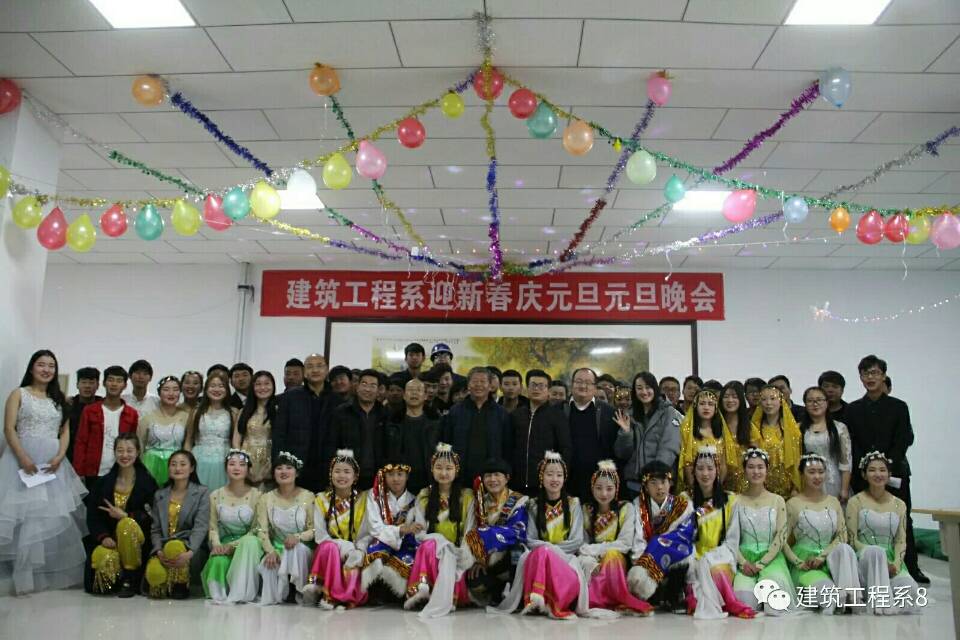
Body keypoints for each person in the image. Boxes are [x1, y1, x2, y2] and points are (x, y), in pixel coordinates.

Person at [0, 350, 87, 595]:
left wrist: (60, 456)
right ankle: (19, 578)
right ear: (32, 368)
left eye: (51, 366)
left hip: (51, 465)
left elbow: (64, 431)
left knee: (42, 518)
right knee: (21, 515)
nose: (46, 369)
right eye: (41, 364)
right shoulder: (19, 394)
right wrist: (23, 457)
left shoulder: (60, 399)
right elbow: (9, 428)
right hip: (20, 461)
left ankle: (35, 577)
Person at [844, 354, 925, 583]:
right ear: (860, 377)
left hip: (895, 473)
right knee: (862, 521)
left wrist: (885, 467)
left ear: (883, 376)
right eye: (866, 373)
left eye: (875, 373)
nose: (870, 377)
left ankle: (910, 566)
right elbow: (852, 443)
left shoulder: (898, 407)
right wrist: (866, 468)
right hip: (863, 475)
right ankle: (867, 569)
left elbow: (903, 439)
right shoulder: (853, 409)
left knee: (903, 519)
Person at [492, 452, 587, 619]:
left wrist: (550, 550)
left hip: (565, 559)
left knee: (543, 551)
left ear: (564, 478)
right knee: (539, 553)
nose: (554, 479)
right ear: (542, 477)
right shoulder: (533, 505)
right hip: (540, 556)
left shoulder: (573, 504)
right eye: (549, 474)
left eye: (559, 475)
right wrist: (546, 549)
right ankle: (537, 597)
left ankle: (538, 598)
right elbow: (530, 539)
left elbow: (577, 541)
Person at [682, 445, 756, 619]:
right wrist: (694, 559)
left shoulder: (730, 500)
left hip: (720, 556)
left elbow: (732, 540)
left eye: (710, 468)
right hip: (693, 558)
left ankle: (726, 601)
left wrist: (710, 558)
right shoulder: (685, 500)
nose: (705, 474)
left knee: (718, 571)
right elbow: (682, 537)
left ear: (717, 471)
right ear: (694, 471)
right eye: (700, 468)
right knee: (693, 579)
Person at [846, 451, 921, 615]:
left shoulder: (899, 504)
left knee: (910, 591)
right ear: (864, 475)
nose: (878, 474)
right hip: (866, 556)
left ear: (889, 474)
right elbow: (852, 539)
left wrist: (896, 563)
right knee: (875, 552)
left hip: (892, 561)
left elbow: (901, 540)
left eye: (882, 470)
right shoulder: (855, 502)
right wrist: (880, 559)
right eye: (872, 470)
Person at [404, 443, 474, 618]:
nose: (443, 473)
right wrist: (439, 542)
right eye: (439, 468)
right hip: (431, 552)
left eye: (448, 468)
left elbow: (470, 529)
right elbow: (420, 532)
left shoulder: (467, 496)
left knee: (435, 546)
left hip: (457, 551)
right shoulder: (424, 495)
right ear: (432, 470)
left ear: (456, 470)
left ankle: (442, 594)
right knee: (429, 544)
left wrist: (461, 552)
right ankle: (422, 589)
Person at [784, 454, 860, 614]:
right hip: (805, 564)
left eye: (821, 472)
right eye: (811, 472)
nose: (817, 476)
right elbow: (781, 540)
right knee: (828, 596)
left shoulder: (833, 502)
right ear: (802, 474)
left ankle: (848, 599)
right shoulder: (792, 504)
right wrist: (798, 562)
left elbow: (842, 535)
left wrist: (822, 557)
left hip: (829, 560)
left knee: (845, 549)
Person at [85, 432, 157, 597]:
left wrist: (125, 516)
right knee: (103, 572)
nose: (125, 455)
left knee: (126, 525)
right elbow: (93, 516)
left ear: (137, 452)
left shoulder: (147, 483)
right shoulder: (102, 483)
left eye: (129, 450)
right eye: (120, 450)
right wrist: (103, 537)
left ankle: (131, 578)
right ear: (114, 452)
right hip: (111, 540)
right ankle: (116, 580)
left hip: (138, 541)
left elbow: (153, 517)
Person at [580, 460, 653, 616]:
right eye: (598, 488)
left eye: (609, 488)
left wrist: (597, 550)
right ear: (592, 488)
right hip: (592, 559)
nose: (604, 494)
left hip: (616, 559)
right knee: (587, 563)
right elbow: (582, 545)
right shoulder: (586, 510)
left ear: (616, 488)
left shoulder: (626, 508)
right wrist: (592, 559)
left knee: (612, 555)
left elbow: (625, 544)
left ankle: (607, 599)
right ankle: (594, 600)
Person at [728, 448, 795, 616]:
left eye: (760, 467)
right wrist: (743, 562)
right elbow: (731, 537)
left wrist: (762, 563)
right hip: (745, 561)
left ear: (767, 469)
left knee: (774, 604)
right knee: (745, 603)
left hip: (771, 559)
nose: (756, 471)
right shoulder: (736, 501)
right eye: (751, 467)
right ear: (744, 470)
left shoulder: (777, 500)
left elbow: (781, 536)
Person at [303, 449, 368, 609]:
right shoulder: (321, 499)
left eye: (347, 471)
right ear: (331, 474)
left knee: (356, 557)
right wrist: (344, 546)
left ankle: (345, 597)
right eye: (337, 471)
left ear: (355, 476)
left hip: (356, 548)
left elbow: (367, 532)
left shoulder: (364, 499)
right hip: (329, 548)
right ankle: (329, 595)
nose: (341, 476)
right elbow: (320, 535)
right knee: (330, 547)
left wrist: (357, 549)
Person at [462, 458, 528, 606]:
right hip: (486, 560)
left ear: (507, 478)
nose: (492, 479)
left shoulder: (520, 500)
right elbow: (471, 532)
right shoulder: (479, 502)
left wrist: (487, 534)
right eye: (488, 476)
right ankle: (498, 594)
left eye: (497, 475)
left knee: (517, 550)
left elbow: (517, 532)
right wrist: (479, 560)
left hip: (509, 557)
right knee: (475, 581)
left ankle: (517, 595)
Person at [144, 450, 210, 599]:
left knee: (174, 546)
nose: (177, 468)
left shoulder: (202, 492)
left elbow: (201, 527)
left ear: (191, 468)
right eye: (173, 464)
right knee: (155, 574)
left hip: (188, 547)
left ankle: (180, 584)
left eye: (182, 464)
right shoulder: (160, 494)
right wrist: (158, 550)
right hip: (163, 547)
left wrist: (190, 552)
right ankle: (166, 582)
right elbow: (155, 529)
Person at [626, 461, 692, 608]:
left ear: (670, 483)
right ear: (646, 486)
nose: (660, 487)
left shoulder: (682, 505)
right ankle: (652, 592)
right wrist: (642, 559)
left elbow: (685, 535)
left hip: (674, 556)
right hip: (649, 556)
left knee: (679, 552)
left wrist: (660, 546)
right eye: (653, 483)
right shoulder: (638, 505)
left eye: (663, 482)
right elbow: (638, 536)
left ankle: (674, 595)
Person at [200, 449, 262, 603]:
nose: (236, 468)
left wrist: (234, 546)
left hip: (248, 545)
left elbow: (256, 529)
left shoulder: (257, 495)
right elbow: (212, 527)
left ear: (248, 469)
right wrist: (217, 545)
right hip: (224, 544)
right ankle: (220, 595)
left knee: (250, 543)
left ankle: (243, 593)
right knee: (218, 561)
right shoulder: (215, 495)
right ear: (225, 468)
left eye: (242, 464)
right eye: (232, 464)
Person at [256, 451, 315, 605]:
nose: (284, 471)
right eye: (279, 468)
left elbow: (314, 530)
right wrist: (270, 551)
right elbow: (262, 530)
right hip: (277, 547)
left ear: (297, 473)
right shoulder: (266, 498)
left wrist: (298, 537)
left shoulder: (308, 496)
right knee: (269, 562)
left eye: (289, 468)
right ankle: (282, 593)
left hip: (302, 548)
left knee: (295, 549)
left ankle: (299, 590)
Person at [359, 459, 420, 600]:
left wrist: (407, 532)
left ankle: (400, 592)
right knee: (376, 549)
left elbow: (416, 529)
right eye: (391, 474)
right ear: (384, 476)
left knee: (411, 550)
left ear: (407, 476)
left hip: (405, 542)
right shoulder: (375, 496)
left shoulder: (415, 500)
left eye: (400, 474)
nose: (395, 479)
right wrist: (400, 530)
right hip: (379, 538)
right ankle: (373, 590)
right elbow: (374, 527)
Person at [615, 371, 682, 498]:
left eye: (648, 387)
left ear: (655, 389)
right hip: (634, 483)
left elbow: (670, 447)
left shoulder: (668, 412)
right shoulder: (629, 414)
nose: (644, 392)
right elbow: (622, 454)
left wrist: (654, 477)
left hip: (659, 483)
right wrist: (626, 433)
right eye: (639, 388)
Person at [440, 367, 512, 484]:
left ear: (490, 386)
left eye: (483, 381)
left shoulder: (501, 414)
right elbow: (446, 443)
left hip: (491, 477)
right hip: (460, 475)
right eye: (474, 381)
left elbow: (507, 447)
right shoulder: (455, 411)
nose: (478, 385)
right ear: (468, 385)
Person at [272, 353, 331, 492]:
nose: (315, 370)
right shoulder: (290, 397)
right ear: (304, 372)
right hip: (297, 468)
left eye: (319, 366)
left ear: (326, 370)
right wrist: (280, 465)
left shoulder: (337, 400)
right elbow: (279, 434)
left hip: (327, 469)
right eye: (310, 366)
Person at [73, 365, 139, 487]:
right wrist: (78, 471)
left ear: (125, 385)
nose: (114, 384)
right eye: (110, 380)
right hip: (92, 471)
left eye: (119, 381)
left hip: (119, 471)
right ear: (104, 383)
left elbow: (132, 445)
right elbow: (81, 442)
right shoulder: (90, 410)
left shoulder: (132, 414)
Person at [509, 369, 571, 495]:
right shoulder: (516, 415)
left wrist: (558, 477)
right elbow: (508, 447)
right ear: (527, 388)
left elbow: (565, 449)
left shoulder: (557, 416)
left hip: (545, 484)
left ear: (548, 391)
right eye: (533, 385)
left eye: (541, 386)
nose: (536, 389)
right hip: (516, 482)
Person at [328, 368, 390, 490]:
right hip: (347, 477)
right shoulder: (341, 413)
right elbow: (331, 445)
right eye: (364, 384)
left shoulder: (386, 415)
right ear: (357, 387)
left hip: (377, 478)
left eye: (373, 386)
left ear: (378, 390)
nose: (367, 389)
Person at [564, 368, 619, 500]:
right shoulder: (559, 410)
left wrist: (626, 433)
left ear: (595, 388)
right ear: (572, 385)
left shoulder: (609, 412)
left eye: (588, 383)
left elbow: (618, 451)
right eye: (579, 381)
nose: (583, 386)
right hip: (564, 481)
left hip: (598, 484)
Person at [799, 386, 852, 502]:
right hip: (808, 479)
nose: (815, 404)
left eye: (819, 400)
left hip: (833, 480)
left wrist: (844, 489)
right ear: (805, 405)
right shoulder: (799, 428)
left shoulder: (839, 428)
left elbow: (846, 461)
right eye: (810, 401)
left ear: (827, 403)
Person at [185, 372, 235, 491]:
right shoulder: (197, 412)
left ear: (227, 390)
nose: (216, 389)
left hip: (223, 461)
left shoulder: (233, 413)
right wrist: (187, 462)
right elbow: (188, 440)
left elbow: (235, 442)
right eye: (212, 386)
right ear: (206, 389)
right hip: (199, 460)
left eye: (221, 386)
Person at [386, 378, 438, 494]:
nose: (414, 393)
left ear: (425, 396)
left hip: (429, 481)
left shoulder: (436, 423)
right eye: (410, 390)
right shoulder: (392, 423)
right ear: (404, 395)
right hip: (399, 482)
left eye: (418, 390)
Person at [750, 385, 802, 498]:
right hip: (761, 487)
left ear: (781, 401)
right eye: (764, 399)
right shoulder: (754, 428)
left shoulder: (791, 428)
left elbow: (796, 459)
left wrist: (795, 487)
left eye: (773, 398)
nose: (768, 403)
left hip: (787, 487)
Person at [137, 377, 190, 486]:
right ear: (159, 393)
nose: (171, 393)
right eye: (166, 389)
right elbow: (140, 446)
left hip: (176, 465)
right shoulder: (146, 418)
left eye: (175, 389)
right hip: (150, 464)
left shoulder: (187, 417)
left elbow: (187, 445)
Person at [677, 389, 728, 494]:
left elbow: (723, 464)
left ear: (716, 408)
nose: (706, 407)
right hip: (693, 489)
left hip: (717, 488)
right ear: (695, 406)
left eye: (710, 404)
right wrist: (694, 489)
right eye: (702, 403)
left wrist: (717, 487)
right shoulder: (687, 431)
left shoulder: (722, 432)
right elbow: (687, 463)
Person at [233, 370, 276, 486]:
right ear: (252, 387)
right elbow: (236, 441)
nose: (263, 387)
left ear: (273, 386)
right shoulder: (244, 411)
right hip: (247, 458)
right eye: (258, 384)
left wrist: (273, 463)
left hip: (269, 459)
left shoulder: (279, 410)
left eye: (267, 383)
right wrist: (242, 463)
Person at [719, 381, 759, 494]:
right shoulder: (716, 426)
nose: (730, 400)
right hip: (720, 486)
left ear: (741, 400)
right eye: (726, 397)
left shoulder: (749, 428)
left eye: (734, 397)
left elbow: (756, 458)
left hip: (745, 488)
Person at [67, 366, 102, 462]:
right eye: (83, 382)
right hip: (70, 456)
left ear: (98, 385)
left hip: (95, 457)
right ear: (77, 385)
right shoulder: (68, 405)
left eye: (91, 382)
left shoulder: (103, 406)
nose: (87, 386)